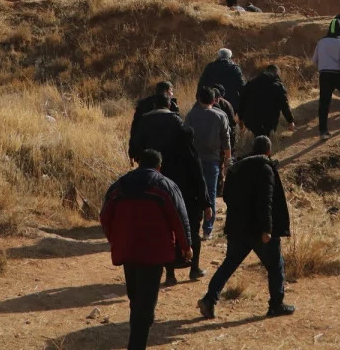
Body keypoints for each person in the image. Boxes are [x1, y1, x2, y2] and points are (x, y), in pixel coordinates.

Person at [101, 149, 193, 350]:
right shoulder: (165, 186)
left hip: (127, 250)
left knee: (136, 297)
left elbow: (105, 216)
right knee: (145, 301)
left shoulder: (119, 186)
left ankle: (140, 324)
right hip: (154, 253)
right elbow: (179, 218)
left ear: (139, 163)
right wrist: (186, 247)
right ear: (159, 167)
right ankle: (137, 341)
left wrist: (115, 239)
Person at [198, 136, 295, 319]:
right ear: (268, 151)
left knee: (230, 263)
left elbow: (225, 196)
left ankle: (209, 299)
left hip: (237, 227)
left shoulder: (237, 167)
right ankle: (276, 304)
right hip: (258, 228)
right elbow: (265, 201)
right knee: (275, 266)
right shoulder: (265, 168)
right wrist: (267, 228)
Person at [128, 105, 212, 284]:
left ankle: (170, 274)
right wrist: (206, 204)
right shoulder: (191, 154)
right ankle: (194, 269)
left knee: (170, 234)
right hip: (190, 200)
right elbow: (199, 180)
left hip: (169, 198)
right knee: (194, 234)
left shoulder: (167, 154)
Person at [185, 87, 232, 239]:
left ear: (198, 99)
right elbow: (226, 140)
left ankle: (192, 227)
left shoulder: (191, 114)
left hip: (194, 160)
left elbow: (185, 137)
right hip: (212, 159)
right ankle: (208, 229)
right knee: (210, 193)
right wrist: (227, 159)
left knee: (193, 193)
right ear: (214, 100)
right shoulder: (221, 115)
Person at [312, 18, 340, 138]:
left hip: (324, 74)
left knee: (324, 102)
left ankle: (323, 131)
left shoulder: (321, 42)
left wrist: (323, 66)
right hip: (338, 73)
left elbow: (314, 60)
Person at [237, 64, 297, 138]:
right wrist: (290, 121)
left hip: (251, 120)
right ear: (277, 74)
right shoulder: (278, 86)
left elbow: (242, 101)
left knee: (256, 136)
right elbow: (284, 105)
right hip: (269, 122)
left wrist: (240, 118)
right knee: (265, 138)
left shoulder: (251, 83)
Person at [131, 81, 180, 157]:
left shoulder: (143, 104)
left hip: (147, 150)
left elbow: (135, 129)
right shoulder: (171, 105)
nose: (172, 94)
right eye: (171, 91)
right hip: (167, 151)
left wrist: (133, 151)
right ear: (165, 92)